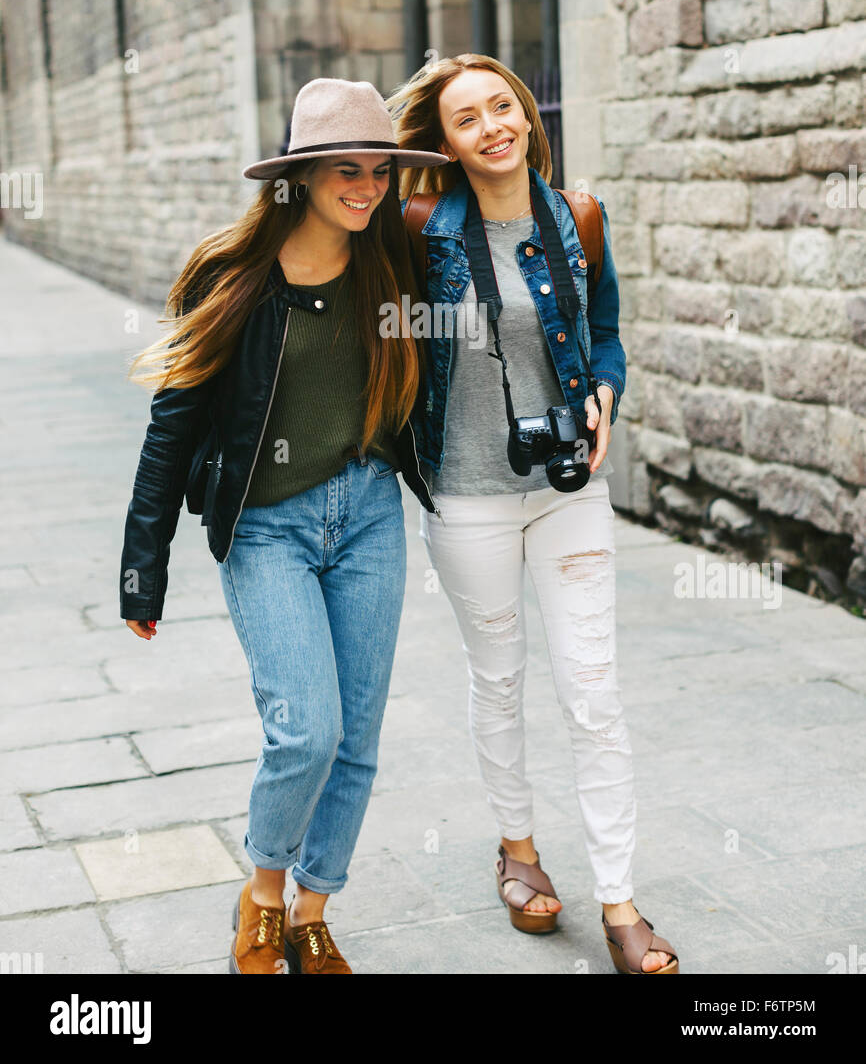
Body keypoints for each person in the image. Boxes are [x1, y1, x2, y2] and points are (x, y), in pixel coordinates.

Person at [119, 78, 447, 975]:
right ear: (300, 175)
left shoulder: (394, 265)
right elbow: (171, 427)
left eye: (380, 171)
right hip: (268, 528)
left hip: (369, 514)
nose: (367, 187)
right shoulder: (235, 278)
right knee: (307, 728)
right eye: (347, 170)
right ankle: (262, 898)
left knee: (359, 735)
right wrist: (142, 566)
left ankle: (313, 911)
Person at [389, 54, 679, 975]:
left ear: (525, 113)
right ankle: (517, 850)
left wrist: (604, 393)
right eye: (466, 118)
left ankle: (620, 901)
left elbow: (605, 333)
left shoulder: (577, 216)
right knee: (502, 679)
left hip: (565, 496)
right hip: (466, 493)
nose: (491, 127)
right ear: (444, 143)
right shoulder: (417, 226)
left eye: (501, 106)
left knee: (593, 694)